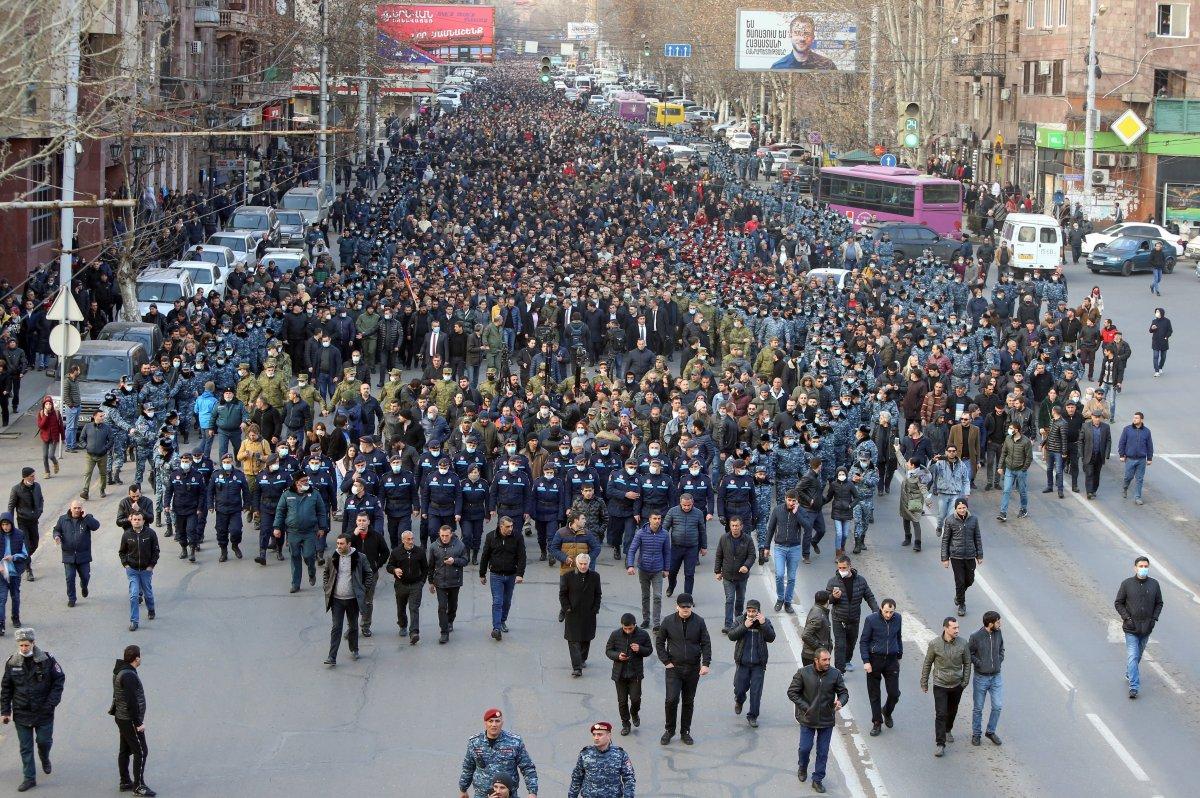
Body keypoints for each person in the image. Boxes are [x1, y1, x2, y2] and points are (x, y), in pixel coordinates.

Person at [1, 628, 64, 793]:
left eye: (26, 645)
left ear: (33, 643)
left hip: (44, 712)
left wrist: (51, 703)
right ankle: (29, 778)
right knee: (25, 747)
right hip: (22, 713)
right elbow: (6, 688)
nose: (23, 648)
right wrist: (5, 711)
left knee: (44, 742)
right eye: (21, 645)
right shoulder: (12, 662)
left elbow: (59, 681)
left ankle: (44, 757)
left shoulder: (47, 660)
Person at [787, 647, 848, 794]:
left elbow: (843, 692)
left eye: (829, 659)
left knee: (823, 752)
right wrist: (805, 707)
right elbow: (792, 692)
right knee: (805, 748)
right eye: (824, 660)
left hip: (827, 720)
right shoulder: (803, 673)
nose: (828, 662)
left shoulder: (835, 674)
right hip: (808, 718)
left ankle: (817, 779)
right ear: (816, 660)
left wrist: (840, 701)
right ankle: (802, 766)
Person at [655, 592, 712, 745]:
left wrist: (705, 663)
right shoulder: (668, 621)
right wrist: (666, 661)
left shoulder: (699, 621)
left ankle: (685, 731)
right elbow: (659, 642)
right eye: (683, 606)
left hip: (693, 669)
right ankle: (669, 730)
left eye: (688, 606)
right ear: (677, 607)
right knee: (671, 699)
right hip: (674, 668)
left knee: (688, 701)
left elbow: (706, 643)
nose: (686, 609)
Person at [458, 708, 539, 798]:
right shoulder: (475, 742)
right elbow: (468, 767)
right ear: (485, 723)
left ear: (502, 723)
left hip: (507, 794)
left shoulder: (514, 742)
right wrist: (463, 789)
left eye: (497, 721)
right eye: (490, 721)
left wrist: (532, 792)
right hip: (482, 794)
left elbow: (527, 767)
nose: (494, 725)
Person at [921, 617, 972, 758]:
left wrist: (965, 681)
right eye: (954, 628)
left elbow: (968, 663)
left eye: (958, 627)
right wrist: (924, 682)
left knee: (952, 710)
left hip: (956, 684)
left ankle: (948, 729)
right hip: (940, 684)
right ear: (945, 628)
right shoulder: (935, 644)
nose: (957, 630)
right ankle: (940, 744)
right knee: (941, 713)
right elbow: (927, 663)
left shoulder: (963, 643)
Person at [1114, 556, 1163, 699]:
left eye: (1145, 566)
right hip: (1131, 628)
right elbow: (1118, 603)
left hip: (1147, 628)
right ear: (1135, 568)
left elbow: (1159, 603)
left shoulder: (1154, 584)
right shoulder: (1127, 584)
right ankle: (1134, 687)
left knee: (1137, 656)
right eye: (1140, 566)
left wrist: (1154, 619)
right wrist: (1127, 618)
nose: (1143, 568)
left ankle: (1130, 673)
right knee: (1133, 656)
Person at [110, 644, 154, 796]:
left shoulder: (121, 671)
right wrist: (138, 723)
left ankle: (125, 781)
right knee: (141, 751)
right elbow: (131, 701)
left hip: (122, 717)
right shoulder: (128, 675)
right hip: (129, 719)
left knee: (124, 749)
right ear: (137, 658)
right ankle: (138, 786)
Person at [273, 471, 328, 593]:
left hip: (309, 532)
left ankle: (311, 571)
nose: (306, 483)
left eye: (307, 480)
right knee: (295, 556)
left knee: (309, 555)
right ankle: (295, 583)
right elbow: (280, 511)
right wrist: (277, 527)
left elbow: (321, 511)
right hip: (293, 532)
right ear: (296, 483)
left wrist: (322, 527)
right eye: (303, 481)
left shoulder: (314, 494)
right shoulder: (287, 494)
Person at [825, 555, 879, 672]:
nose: (842, 570)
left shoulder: (861, 581)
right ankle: (840, 671)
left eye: (844, 568)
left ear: (850, 567)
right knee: (840, 645)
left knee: (851, 642)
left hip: (854, 618)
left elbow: (869, 596)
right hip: (838, 618)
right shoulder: (833, 582)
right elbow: (826, 600)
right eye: (840, 568)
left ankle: (846, 660)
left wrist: (875, 610)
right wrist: (833, 597)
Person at [727, 598, 775, 728]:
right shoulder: (739, 620)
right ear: (746, 611)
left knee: (756, 692)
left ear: (759, 612)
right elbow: (731, 636)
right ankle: (739, 700)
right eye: (749, 611)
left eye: (754, 611)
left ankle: (753, 716)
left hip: (758, 665)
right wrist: (744, 626)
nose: (751, 613)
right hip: (742, 663)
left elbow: (771, 638)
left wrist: (764, 624)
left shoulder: (764, 622)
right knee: (739, 688)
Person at [322, 533, 368, 666]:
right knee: (336, 627)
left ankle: (354, 649)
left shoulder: (359, 557)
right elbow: (326, 573)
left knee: (353, 626)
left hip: (353, 599)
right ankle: (332, 656)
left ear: (349, 544)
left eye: (342, 544)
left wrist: (363, 589)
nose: (339, 546)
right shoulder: (332, 557)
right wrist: (327, 588)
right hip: (337, 600)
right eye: (337, 544)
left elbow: (368, 573)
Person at [859, 599, 903, 736]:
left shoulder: (898, 618)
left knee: (894, 693)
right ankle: (877, 722)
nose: (889, 615)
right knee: (874, 694)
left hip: (891, 661)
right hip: (874, 660)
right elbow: (864, 641)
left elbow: (898, 636)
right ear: (881, 609)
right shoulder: (871, 620)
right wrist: (866, 661)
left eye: (891, 612)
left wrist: (899, 653)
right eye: (886, 612)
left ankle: (887, 711)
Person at [479, 516, 527, 641]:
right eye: (507, 526)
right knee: (497, 601)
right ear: (501, 526)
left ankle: (502, 620)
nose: (510, 529)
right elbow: (485, 556)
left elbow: (522, 556)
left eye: (512, 526)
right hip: (496, 575)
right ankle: (496, 628)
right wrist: (482, 574)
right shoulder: (491, 537)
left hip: (511, 575)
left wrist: (520, 574)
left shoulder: (517, 537)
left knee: (507, 601)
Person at [605, 612, 653, 735]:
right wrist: (617, 656)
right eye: (625, 628)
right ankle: (626, 724)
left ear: (635, 625)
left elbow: (649, 650)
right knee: (622, 701)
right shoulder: (615, 635)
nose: (627, 631)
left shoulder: (643, 634)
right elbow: (608, 651)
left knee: (636, 699)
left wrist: (640, 649)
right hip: (619, 674)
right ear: (621, 625)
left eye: (630, 628)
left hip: (635, 673)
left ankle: (635, 713)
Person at [626, 511, 671, 631]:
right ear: (649, 520)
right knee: (645, 596)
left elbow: (667, 552)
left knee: (657, 596)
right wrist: (630, 565)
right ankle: (646, 619)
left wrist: (667, 569)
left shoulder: (665, 534)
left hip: (657, 570)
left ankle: (657, 623)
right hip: (644, 569)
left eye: (659, 518)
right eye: (655, 518)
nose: (657, 521)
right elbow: (632, 550)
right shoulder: (641, 533)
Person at [568, 721, 637, 798]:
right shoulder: (585, 754)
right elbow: (577, 777)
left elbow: (629, 778)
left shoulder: (620, 754)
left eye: (600, 734)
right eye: (594, 735)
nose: (596, 737)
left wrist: (628, 796)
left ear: (609, 736)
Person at [52, 499, 100, 608]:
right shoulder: (63, 519)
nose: (77, 510)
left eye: (79, 508)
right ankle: (72, 598)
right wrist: (56, 536)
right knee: (70, 577)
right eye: (75, 508)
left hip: (83, 555)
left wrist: (87, 517)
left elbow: (96, 526)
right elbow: (56, 530)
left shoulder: (87, 518)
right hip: (68, 555)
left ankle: (84, 586)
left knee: (85, 576)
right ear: (70, 508)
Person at [561, 552, 602, 677]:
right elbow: (563, 594)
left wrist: (595, 608)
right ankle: (577, 667)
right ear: (576, 564)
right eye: (581, 564)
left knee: (586, 637)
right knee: (573, 640)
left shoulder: (595, 576)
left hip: (588, 613)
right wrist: (566, 608)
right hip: (572, 613)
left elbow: (597, 594)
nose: (583, 566)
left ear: (589, 564)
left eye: (585, 564)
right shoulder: (568, 576)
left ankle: (582, 659)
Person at [118, 509, 159, 632]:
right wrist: (126, 565)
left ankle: (151, 609)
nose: (136, 521)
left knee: (148, 594)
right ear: (131, 521)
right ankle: (134, 621)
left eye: (139, 519)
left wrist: (151, 566)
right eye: (134, 519)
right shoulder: (126, 535)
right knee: (134, 595)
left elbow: (156, 551)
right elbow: (122, 552)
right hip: (133, 570)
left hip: (146, 570)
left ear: (143, 521)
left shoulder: (150, 534)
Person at [941, 499, 983, 617]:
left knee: (970, 580)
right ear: (955, 509)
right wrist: (945, 558)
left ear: (967, 507)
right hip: (956, 556)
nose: (962, 510)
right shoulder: (950, 520)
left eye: (964, 507)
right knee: (959, 581)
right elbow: (945, 540)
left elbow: (977, 538)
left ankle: (959, 595)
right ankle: (962, 604)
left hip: (970, 555)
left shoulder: (973, 520)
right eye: (959, 508)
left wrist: (979, 555)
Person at [765, 489, 805, 613]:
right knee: (780, 574)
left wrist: (797, 513)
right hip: (779, 547)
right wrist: (766, 547)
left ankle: (788, 602)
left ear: (797, 501)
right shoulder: (777, 510)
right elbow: (771, 528)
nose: (791, 502)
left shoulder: (800, 511)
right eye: (789, 500)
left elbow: (808, 526)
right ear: (785, 499)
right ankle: (780, 599)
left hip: (795, 548)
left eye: (794, 501)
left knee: (792, 577)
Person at [968, 610, 1004, 746]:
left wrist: (999, 660)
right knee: (978, 708)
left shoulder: (998, 633)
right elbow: (969, 654)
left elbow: (1001, 649)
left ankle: (990, 731)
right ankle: (976, 734)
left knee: (998, 706)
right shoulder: (976, 636)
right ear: (990, 623)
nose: (1000, 624)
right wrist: (980, 664)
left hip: (996, 677)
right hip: (981, 678)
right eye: (998, 622)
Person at [714, 516, 756, 633]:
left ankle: (738, 622)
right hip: (727, 576)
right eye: (732, 526)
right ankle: (728, 624)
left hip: (742, 577)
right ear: (730, 526)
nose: (735, 528)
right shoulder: (724, 538)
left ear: (741, 526)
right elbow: (719, 555)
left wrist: (746, 566)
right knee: (730, 599)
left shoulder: (747, 539)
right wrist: (717, 571)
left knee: (740, 600)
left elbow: (752, 555)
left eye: (737, 526)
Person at [428, 524, 468, 644]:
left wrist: (454, 561)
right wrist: (430, 582)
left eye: (446, 535)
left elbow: (466, 560)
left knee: (452, 605)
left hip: (454, 581)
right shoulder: (434, 546)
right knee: (442, 607)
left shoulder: (459, 545)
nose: (444, 538)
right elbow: (430, 565)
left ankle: (450, 621)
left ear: (451, 534)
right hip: (440, 581)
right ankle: (444, 632)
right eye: (442, 536)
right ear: (439, 535)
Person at [386, 529, 427, 644]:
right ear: (403, 540)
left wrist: (422, 582)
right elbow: (389, 566)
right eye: (408, 539)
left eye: (412, 538)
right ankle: (402, 625)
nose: (411, 541)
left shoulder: (419, 552)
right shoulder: (396, 552)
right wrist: (394, 570)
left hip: (415, 585)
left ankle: (414, 632)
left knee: (414, 608)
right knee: (401, 607)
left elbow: (425, 568)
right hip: (401, 585)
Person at [664, 493, 707, 598]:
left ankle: (687, 597)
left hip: (692, 548)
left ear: (692, 503)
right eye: (684, 505)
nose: (687, 507)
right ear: (680, 503)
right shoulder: (672, 511)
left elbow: (702, 531)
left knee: (689, 574)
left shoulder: (699, 513)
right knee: (672, 571)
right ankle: (671, 586)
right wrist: (661, 544)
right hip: (676, 547)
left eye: (689, 505)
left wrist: (704, 546)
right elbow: (665, 529)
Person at [7, 469, 43, 582]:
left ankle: (22, 558)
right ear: (25, 477)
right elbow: (11, 506)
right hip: (23, 521)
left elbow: (41, 499)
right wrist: (10, 522)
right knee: (26, 546)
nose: (34, 478)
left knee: (35, 544)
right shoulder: (16, 489)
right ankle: (28, 570)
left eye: (34, 475)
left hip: (34, 520)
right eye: (32, 476)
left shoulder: (37, 486)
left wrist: (39, 511)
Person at [771, 14, 838, 70]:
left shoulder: (827, 65)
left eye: (806, 34)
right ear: (790, 35)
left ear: (813, 37)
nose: (802, 38)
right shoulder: (778, 67)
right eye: (797, 33)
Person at [995, 422, 1032, 522]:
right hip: (1009, 470)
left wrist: (1024, 469)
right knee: (1006, 490)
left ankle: (1023, 509)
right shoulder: (1008, 439)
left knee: (1022, 491)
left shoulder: (1026, 441)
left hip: (1020, 470)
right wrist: (1000, 466)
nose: (1009, 429)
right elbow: (1004, 453)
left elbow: (1029, 457)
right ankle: (1003, 513)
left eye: (1011, 428)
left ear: (1017, 430)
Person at [0, 513, 30, 634]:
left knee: (15, 596)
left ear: (11, 524)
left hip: (15, 572)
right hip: (1, 574)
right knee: (2, 598)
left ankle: (15, 617)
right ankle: (1, 623)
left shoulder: (19, 535)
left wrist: (13, 557)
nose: (5, 527)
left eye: (7, 524)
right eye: (3, 525)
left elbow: (25, 554)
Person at [1118, 412, 1154, 505]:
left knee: (1139, 479)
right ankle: (1125, 488)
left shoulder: (1146, 431)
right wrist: (1121, 455)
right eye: (1134, 418)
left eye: (1137, 418)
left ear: (1141, 420)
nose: (1134, 419)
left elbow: (1149, 445)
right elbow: (1122, 442)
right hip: (1130, 459)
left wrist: (1149, 458)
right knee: (1128, 477)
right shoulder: (1127, 429)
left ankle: (1138, 497)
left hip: (1141, 459)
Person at [79, 409, 114, 499]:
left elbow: (111, 440)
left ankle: (102, 489)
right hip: (90, 455)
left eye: (103, 416)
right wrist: (86, 446)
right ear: (95, 416)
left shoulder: (107, 428)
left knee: (103, 474)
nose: (103, 417)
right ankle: (85, 491)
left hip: (102, 455)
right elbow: (81, 438)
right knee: (87, 473)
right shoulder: (87, 426)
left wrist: (105, 448)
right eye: (101, 416)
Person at [898, 457, 928, 551]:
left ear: (912, 465)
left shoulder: (920, 475)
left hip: (915, 501)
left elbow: (923, 488)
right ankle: (907, 538)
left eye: (908, 462)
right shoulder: (909, 469)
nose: (906, 463)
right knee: (906, 519)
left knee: (915, 521)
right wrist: (897, 450)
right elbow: (902, 462)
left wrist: (928, 500)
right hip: (905, 500)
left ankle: (917, 543)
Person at [35, 397, 64, 479]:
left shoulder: (57, 413)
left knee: (51, 455)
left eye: (50, 404)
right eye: (46, 404)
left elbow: (61, 426)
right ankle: (47, 472)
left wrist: (63, 437)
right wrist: (46, 416)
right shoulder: (41, 413)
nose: (48, 405)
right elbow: (41, 425)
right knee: (44, 456)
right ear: (44, 405)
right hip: (45, 437)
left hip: (54, 437)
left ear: (52, 405)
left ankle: (55, 463)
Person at [801, 590, 832, 667]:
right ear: (827, 601)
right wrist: (820, 648)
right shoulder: (818, 615)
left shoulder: (818, 610)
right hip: (813, 657)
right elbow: (806, 635)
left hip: (815, 656)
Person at [1148, 307, 1172, 377]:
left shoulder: (1167, 321)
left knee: (1163, 357)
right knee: (1155, 356)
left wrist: (1166, 337)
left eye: (1158, 312)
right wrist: (1152, 328)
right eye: (1156, 312)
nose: (1156, 313)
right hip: (1155, 341)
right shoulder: (1154, 321)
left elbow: (1170, 330)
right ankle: (1156, 371)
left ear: (1161, 313)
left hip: (1164, 342)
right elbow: (1150, 330)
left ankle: (1160, 367)